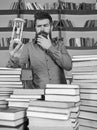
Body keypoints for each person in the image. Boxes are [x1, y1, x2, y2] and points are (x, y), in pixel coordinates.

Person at [7, 11, 72, 89]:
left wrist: (50, 47)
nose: (42, 29)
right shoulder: (28, 47)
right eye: (39, 26)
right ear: (35, 28)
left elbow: (68, 66)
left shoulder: (59, 45)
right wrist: (14, 58)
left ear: (51, 28)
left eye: (45, 26)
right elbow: (11, 73)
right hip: (38, 97)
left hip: (60, 95)